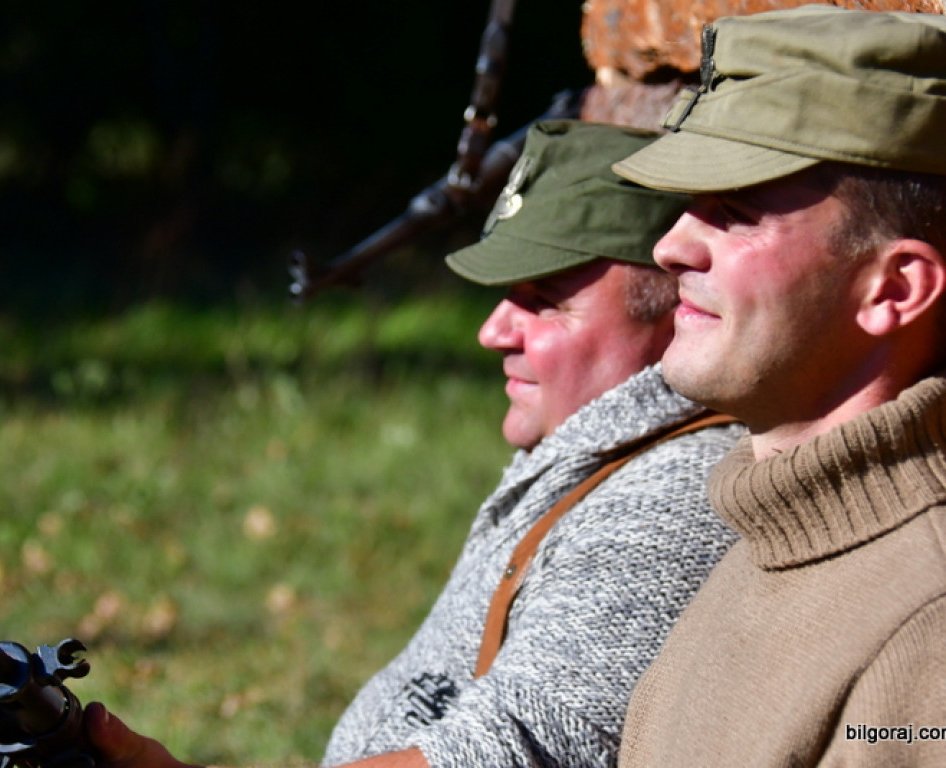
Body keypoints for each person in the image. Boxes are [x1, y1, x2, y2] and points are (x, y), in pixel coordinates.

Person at [84, 120, 742, 768]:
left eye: (543, 301)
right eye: (506, 297)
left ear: (678, 315)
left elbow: (515, 754)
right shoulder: (595, 452)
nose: (492, 332)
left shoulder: (671, 499)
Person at [608, 6, 946, 767]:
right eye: (687, 208)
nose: (670, 247)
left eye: (736, 212)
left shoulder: (928, 632)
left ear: (894, 289)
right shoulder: (773, 538)